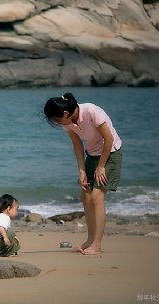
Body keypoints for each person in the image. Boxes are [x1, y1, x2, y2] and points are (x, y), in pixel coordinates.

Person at [43, 93, 122, 255]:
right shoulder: (68, 122)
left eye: (57, 120)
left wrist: (101, 167)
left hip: (110, 154)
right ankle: (90, 240)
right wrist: (81, 171)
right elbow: (77, 144)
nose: (58, 124)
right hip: (92, 154)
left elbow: (109, 140)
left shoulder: (92, 112)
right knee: (85, 197)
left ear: (65, 113)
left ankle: (97, 245)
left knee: (96, 197)